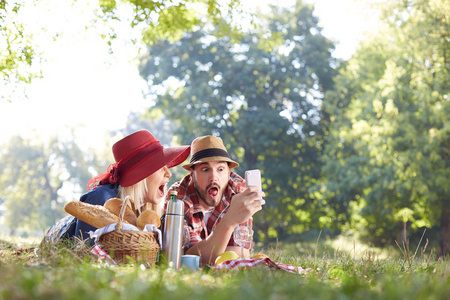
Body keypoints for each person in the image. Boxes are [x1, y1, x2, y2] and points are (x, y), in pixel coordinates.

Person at [44, 129, 190, 245]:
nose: (169, 173)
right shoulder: (102, 199)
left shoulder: (145, 215)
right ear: (141, 176)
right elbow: (83, 254)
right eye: (161, 167)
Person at [165, 135, 265, 265]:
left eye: (220, 169)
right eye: (205, 169)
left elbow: (241, 251)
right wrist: (230, 221)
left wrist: (205, 252)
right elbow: (187, 259)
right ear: (192, 173)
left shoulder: (239, 191)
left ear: (229, 172)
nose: (214, 177)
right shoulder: (177, 198)